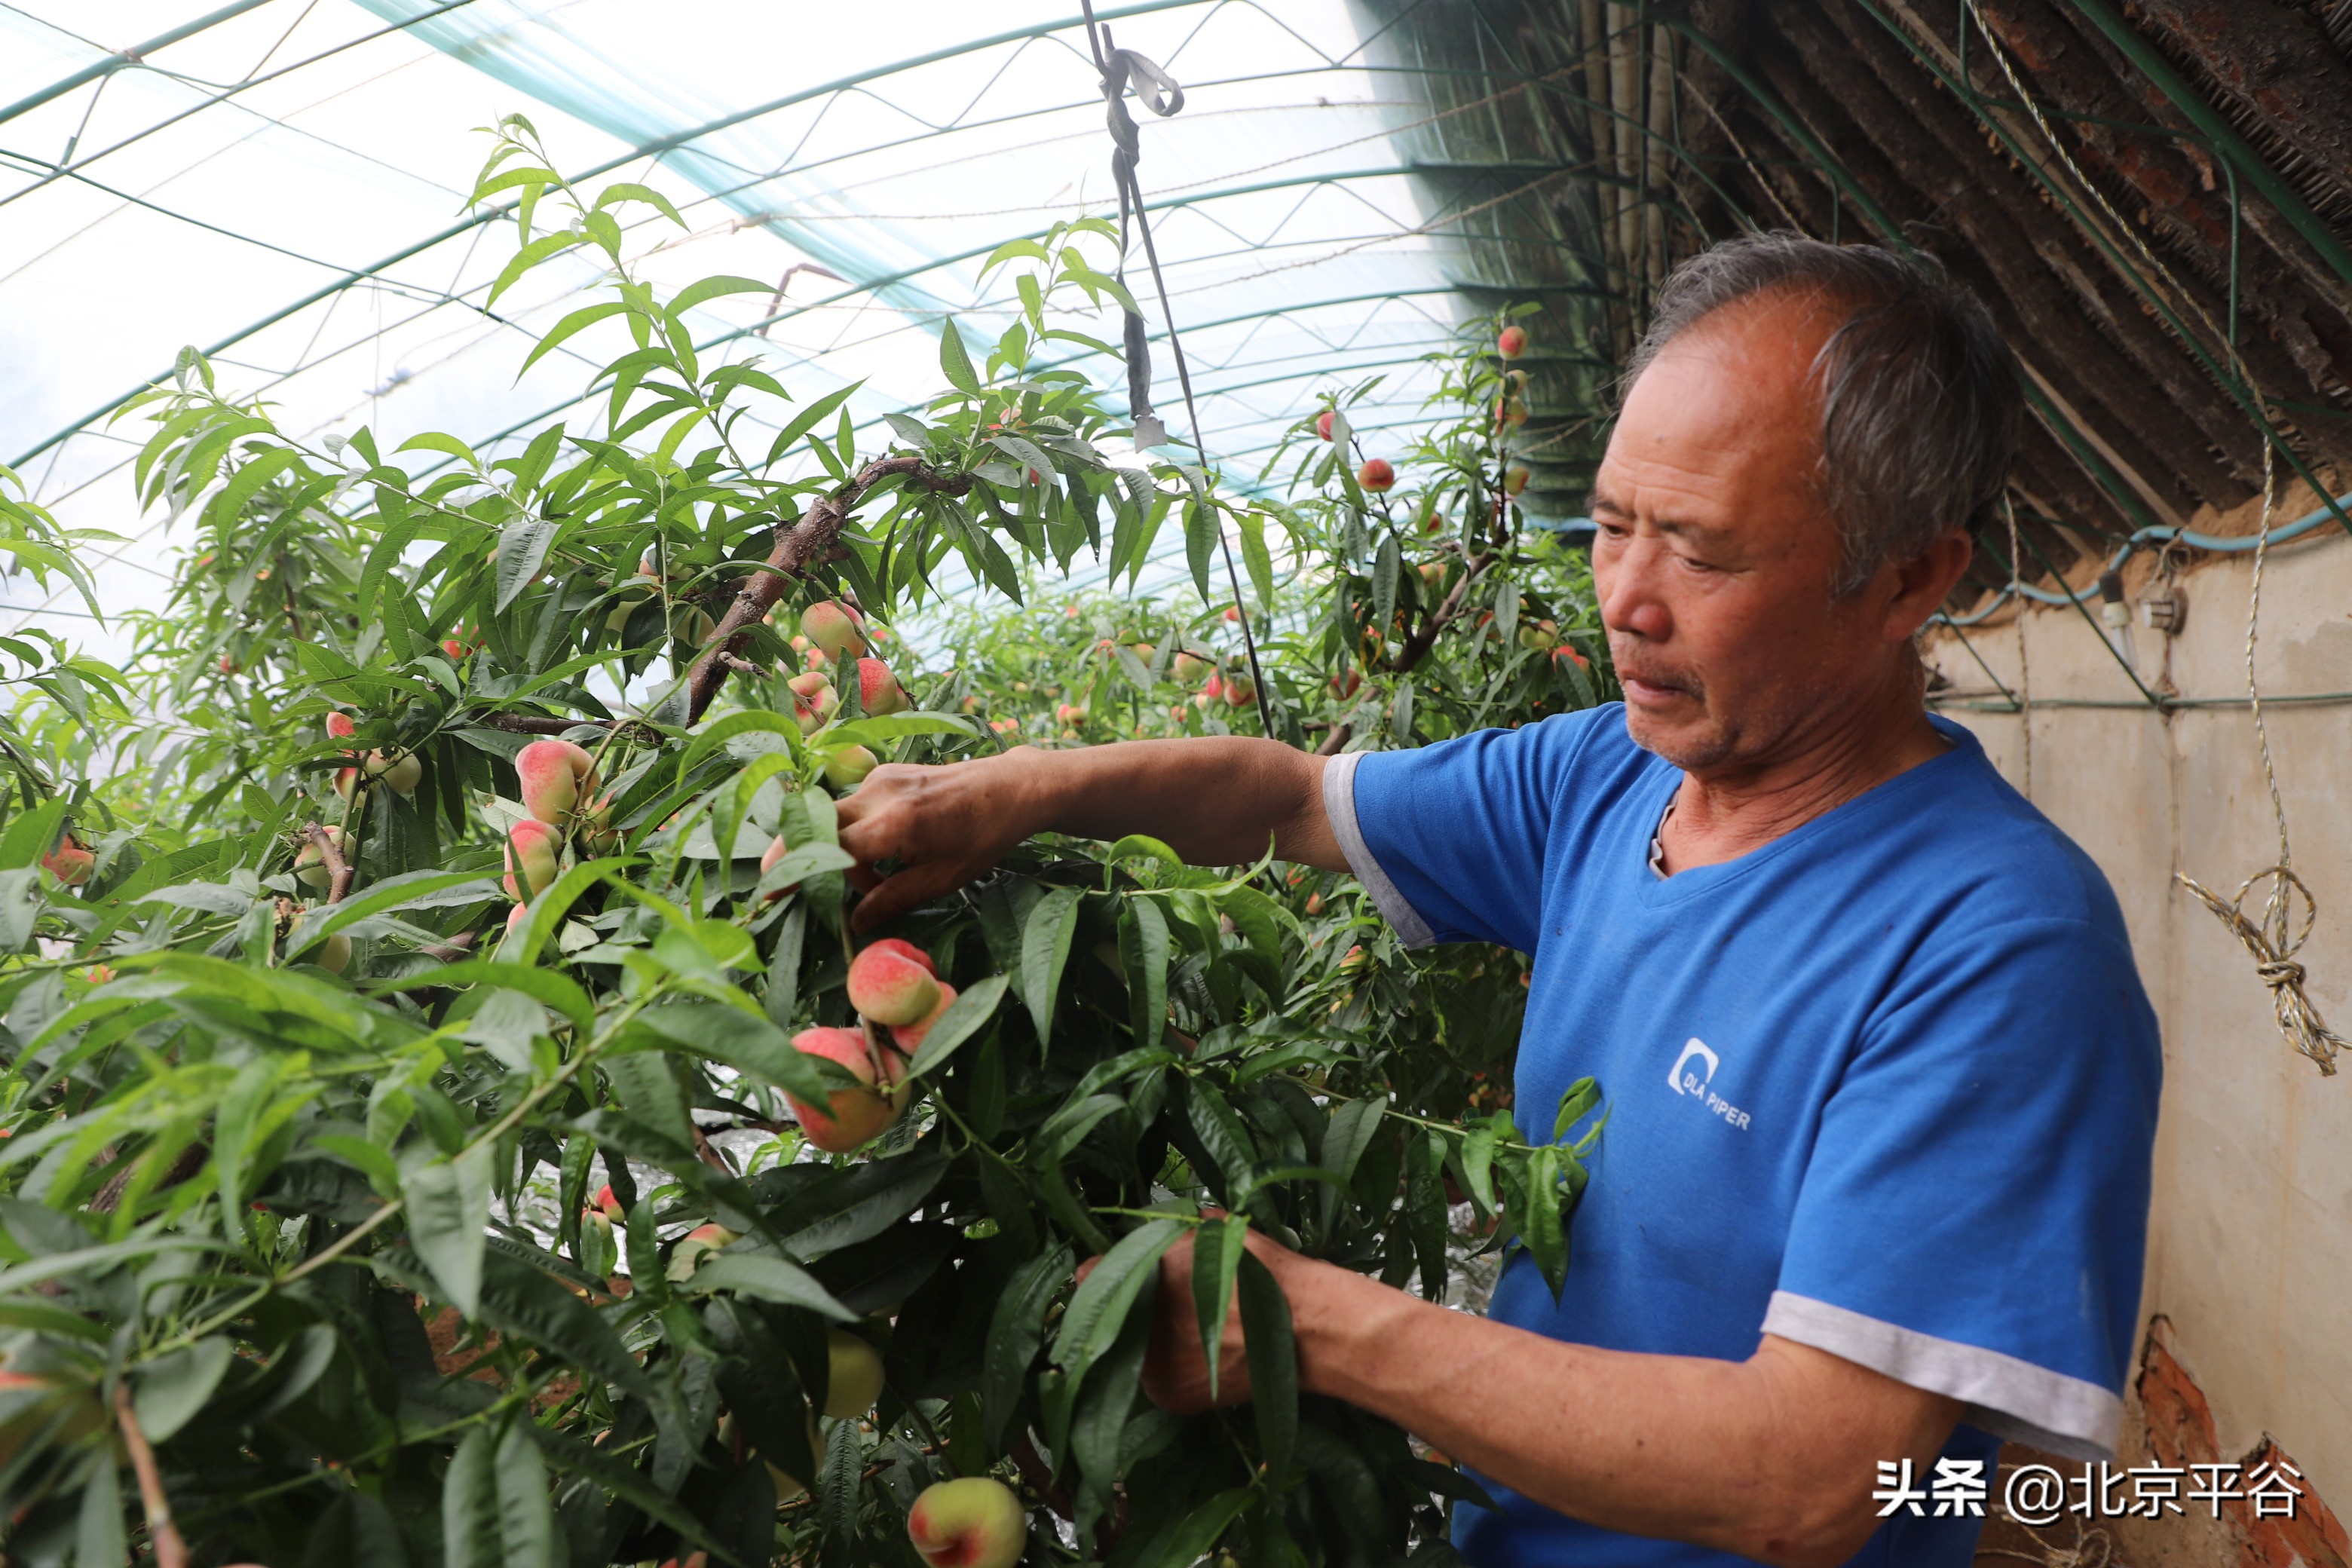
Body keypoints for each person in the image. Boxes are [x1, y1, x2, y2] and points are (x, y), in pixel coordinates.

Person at [835, 233, 2162, 1568]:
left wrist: (1318, 1324)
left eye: (1701, 555)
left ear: (1909, 579)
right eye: (1614, 526)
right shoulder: (1611, 778)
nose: (1625, 601)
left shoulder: (1996, 947)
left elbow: (1815, 1477)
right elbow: (1287, 796)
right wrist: (1013, 789)